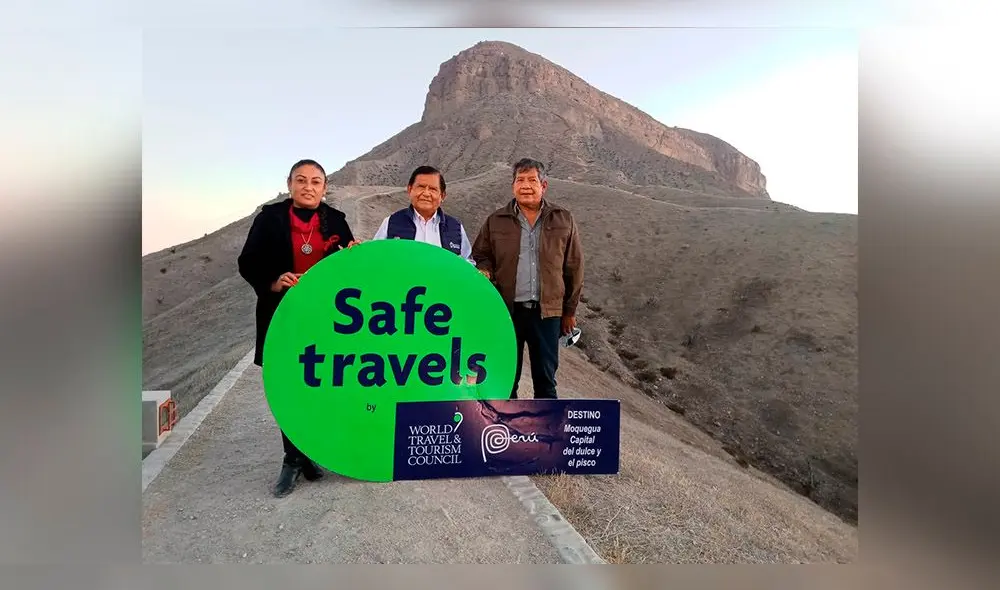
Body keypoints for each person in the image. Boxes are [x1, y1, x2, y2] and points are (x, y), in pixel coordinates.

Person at [237, 158, 360, 497]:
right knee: (288, 385)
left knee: (320, 383)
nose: (308, 186)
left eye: (316, 181)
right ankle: (292, 459)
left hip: (326, 319)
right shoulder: (270, 218)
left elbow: (348, 270)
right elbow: (247, 261)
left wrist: (354, 256)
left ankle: (306, 453)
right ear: (289, 184)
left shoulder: (337, 220)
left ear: (325, 187)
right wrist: (274, 280)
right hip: (283, 314)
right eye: (301, 180)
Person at [472, 158, 584, 399]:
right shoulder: (496, 220)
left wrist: (569, 311)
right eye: (520, 180)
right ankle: (504, 424)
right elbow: (481, 254)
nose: (525, 186)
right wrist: (485, 269)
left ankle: (545, 424)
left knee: (546, 382)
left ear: (543, 185)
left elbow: (574, 266)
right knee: (505, 379)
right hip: (506, 312)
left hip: (547, 314)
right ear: (513, 185)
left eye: (532, 180)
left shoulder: (563, 219)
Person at [371, 165, 474, 263]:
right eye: (421, 187)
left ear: (442, 196)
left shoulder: (455, 227)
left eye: (433, 189)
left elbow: (468, 264)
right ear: (410, 190)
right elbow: (374, 256)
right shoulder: (391, 222)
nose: (426, 193)